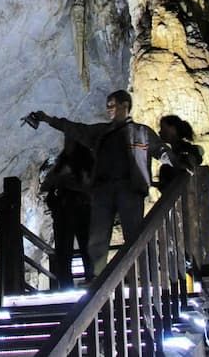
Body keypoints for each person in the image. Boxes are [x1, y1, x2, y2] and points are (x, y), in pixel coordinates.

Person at [25, 90, 173, 274]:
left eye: (111, 105)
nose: (108, 109)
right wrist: (48, 119)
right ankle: (98, 278)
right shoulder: (101, 132)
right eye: (107, 106)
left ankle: (142, 274)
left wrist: (181, 162)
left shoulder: (141, 132)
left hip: (129, 189)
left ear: (125, 105)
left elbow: (161, 151)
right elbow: (76, 129)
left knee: (134, 236)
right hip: (104, 190)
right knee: (98, 240)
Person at [40, 137, 94, 288]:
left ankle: (89, 278)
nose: (67, 144)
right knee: (64, 249)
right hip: (65, 210)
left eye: (70, 141)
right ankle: (66, 283)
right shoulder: (61, 164)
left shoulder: (87, 164)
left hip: (80, 209)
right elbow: (46, 185)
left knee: (85, 246)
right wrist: (60, 179)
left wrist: (67, 182)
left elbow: (92, 187)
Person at [157, 114, 203, 190]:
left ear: (173, 129)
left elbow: (191, 166)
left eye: (163, 128)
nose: (160, 132)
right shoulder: (177, 150)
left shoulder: (185, 149)